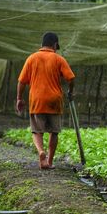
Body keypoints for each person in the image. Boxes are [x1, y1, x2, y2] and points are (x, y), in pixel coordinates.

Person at [16, 32, 75, 170]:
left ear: (41, 45)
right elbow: (71, 78)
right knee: (54, 132)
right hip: (54, 100)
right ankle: (49, 161)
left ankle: (41, 152)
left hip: (37, 100)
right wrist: (71, 92)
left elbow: (21, 81)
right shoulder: (58, 59)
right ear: (55, 45)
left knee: (37, 131)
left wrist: (19, 98)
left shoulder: (32, 58)